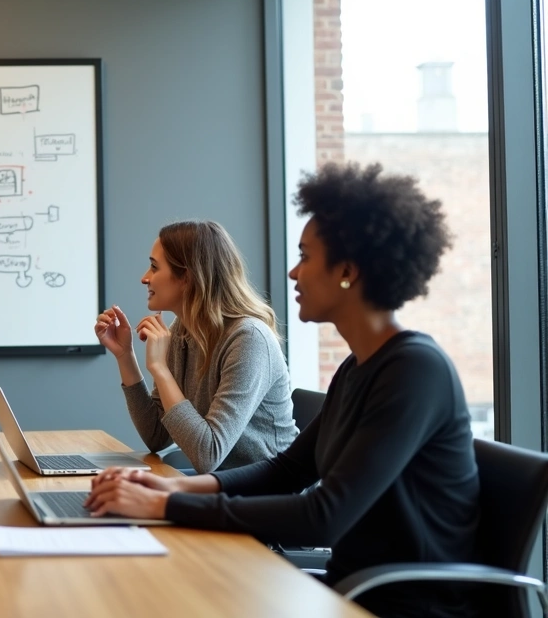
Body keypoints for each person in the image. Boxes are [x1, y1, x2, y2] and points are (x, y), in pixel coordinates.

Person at [86, 163, 479, 618]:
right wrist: (175, 489)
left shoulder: (415, 371)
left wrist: (167, 503)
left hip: (400, 604)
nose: (293, 273)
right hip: (349, 591)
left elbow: (324, 516)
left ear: (347, 271)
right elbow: (285, 471)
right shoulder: (358, 367)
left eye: (306, 258)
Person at [94, 221, 297, 473]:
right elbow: (157, 436)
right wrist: (125, 356)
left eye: (154, 267)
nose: (144, 278)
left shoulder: (249, 339)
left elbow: (208, 455)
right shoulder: (182, 331)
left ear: (187, 278)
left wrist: (160, 369)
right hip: (220, 485)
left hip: (269, 493)